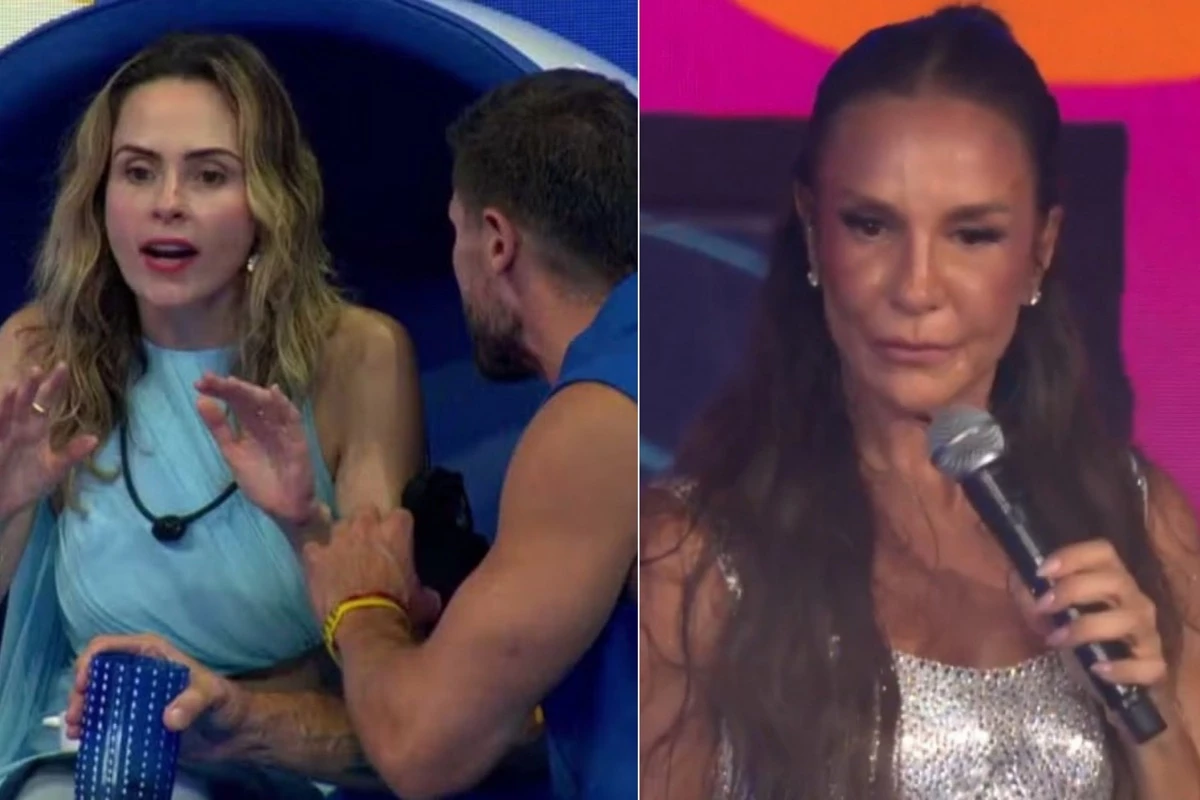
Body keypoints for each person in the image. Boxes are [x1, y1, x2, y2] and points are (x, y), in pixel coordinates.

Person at [640, 6, 1200, 800]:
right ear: (813, 233)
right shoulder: (692, 557)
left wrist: (1155, 723)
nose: (916, 289)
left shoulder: (1140, 519)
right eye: (872, 226)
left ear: (1039, 250)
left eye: (972, 235)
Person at [66, 68, 639, 800]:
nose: (169, 204)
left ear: (496, 242)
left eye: (453, 232)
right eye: (138, 171)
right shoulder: (700, 354)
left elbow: (422, 745)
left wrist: (362, 604)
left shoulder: (594, 424)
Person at [0, 33, 424, 798]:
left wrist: (303, 527)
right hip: (87, 758)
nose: (168, 203)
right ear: (98, 198)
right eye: (138, 171)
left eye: (209, 174)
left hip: (287, 756)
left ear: (268, 203)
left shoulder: (358, 358)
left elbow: (389, 655)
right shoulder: (37, 351)